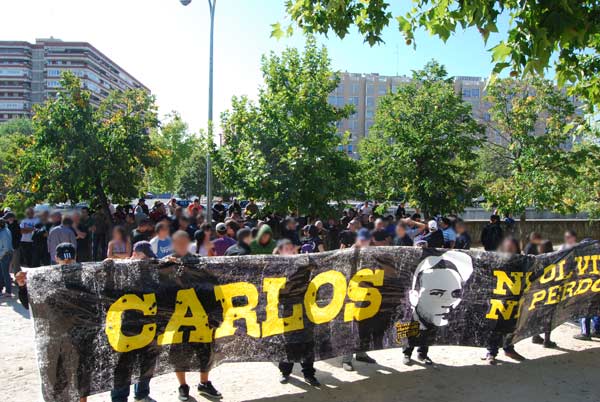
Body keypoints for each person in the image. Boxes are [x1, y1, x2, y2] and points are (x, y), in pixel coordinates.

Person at [15, 243, 90, 402]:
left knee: (80, 384)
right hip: (54, 340)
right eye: (64, 260)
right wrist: (23, 287)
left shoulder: (84, 279)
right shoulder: (45, 279)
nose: (67, 263)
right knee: (55, 382)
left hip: (78, 339)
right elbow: (29, 304)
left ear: (75, 259)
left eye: (70, 260)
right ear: (56, 259)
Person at [167, 230, 222, 400]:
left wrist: (216, 316)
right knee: (179, 355)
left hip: (202, 318)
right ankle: (182, 386)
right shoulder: (165, 265)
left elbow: (212, 286)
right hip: (179, 319)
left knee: (205, 353)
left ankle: (204, 383)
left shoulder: (198, 262)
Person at [404, 250, 474, 366]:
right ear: (414, 296)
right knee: (412, 332)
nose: (448, 302)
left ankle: (422, 354)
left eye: (455, 294)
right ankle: (407, 353)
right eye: (436, 293)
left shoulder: (442, 318)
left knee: (429, 332)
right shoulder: (407, 318)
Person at [109, 242, 157, 402]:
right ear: (134, 254)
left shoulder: (153, 269)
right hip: (126, 326)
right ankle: (119, 398)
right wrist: (107, 267)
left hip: (148, 325)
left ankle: (142, 394)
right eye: (143, 258)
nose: (146, 262)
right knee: (123, 363)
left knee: (147, 362)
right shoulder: (121, 269)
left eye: (148, 258)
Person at [273, 239, 321, 387]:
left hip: (306, 312)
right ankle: (285, 372)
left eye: (291, 248)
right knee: (288, 343)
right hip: (287, 312)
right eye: (286, 249)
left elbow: (316, 267)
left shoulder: (303, 262)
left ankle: (308, 374)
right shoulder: (278, 268)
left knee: (307, 344)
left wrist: (306, 258)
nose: (290, 251)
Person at [484, 236, 526, 364]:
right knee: (496, 326)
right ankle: (491, 352)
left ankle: (509, 348)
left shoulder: (522, 261)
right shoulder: (497, 260)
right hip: (499, 300)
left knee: (512, 325)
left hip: (515, 299)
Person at [342, 228, 377, 371]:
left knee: (364, 325)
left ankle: (361, 353)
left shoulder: (371, 252)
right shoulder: (350, 252)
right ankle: (346, 358)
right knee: (350, 326)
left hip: (367, 293)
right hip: (351, 294)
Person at [530, 240, 558, 348]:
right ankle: (547, 340)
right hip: (549, 292)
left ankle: (535, 335)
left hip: (536, 292)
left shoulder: (536, 260)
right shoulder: (554, 260)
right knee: (548, 316)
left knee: (536, 314)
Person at [0, 218, 14, 297]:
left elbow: (6, 248)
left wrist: (0, 255)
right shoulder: (5, 230)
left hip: (5, 255)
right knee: (2, 273)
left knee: (5, 274)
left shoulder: (4, 233)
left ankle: (8, 292)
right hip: (4, 255)